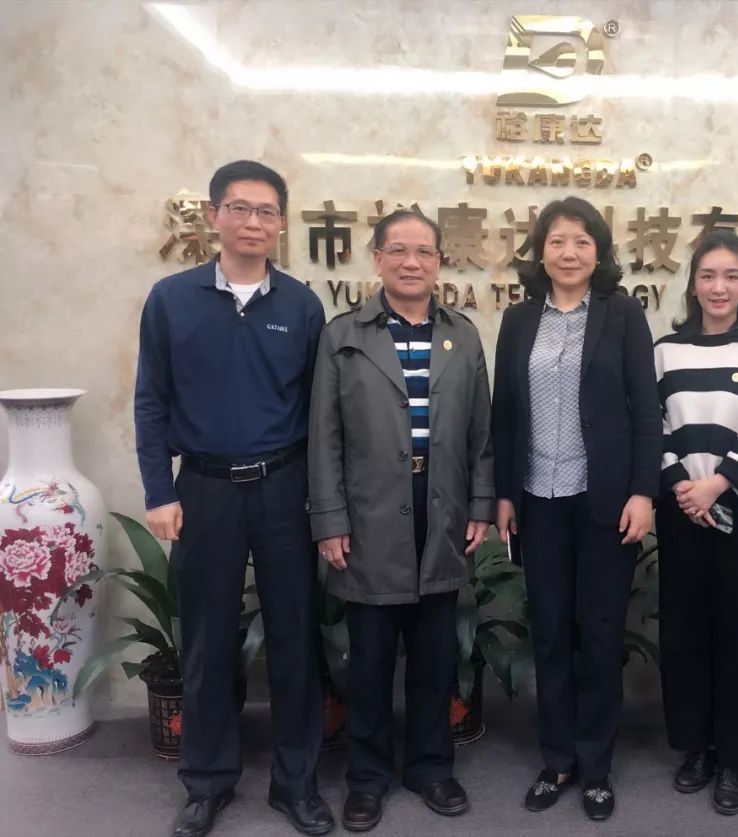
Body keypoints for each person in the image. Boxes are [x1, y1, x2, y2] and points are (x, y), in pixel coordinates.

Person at [134, 160, 333, 837]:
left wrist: (321, 502)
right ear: (214, 214)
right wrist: (159, 490)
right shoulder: (171, 298)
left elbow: (320, 413)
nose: (253, 222)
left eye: (267, 211)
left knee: (295, 640)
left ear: (281, 223)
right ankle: (207, 782)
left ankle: (296, 784)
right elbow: (151, 400)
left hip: (284, 488)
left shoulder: (302, 306)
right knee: (207, 641)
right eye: (240, 208)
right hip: (204, 490)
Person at [307, 209, 494, 832]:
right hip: (369, 514)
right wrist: (329, 519)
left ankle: (431, 768)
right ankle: (366, 778)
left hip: (442, 509)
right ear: (378, 258)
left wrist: (480, 505)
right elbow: (324, 438)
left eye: (424, 252)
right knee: (369, 659)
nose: (411, 262)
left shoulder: (462, 335)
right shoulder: (343, 336)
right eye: (398, 250)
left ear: (439, 261)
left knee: (436, 655)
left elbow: (481, 435)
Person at [491, 196, 662, 821]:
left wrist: (644, 491)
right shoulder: (518, 320)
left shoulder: (623, 314)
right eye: (558, 241)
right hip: (539, 499)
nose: (569, 252)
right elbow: (505, 414)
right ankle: (557, 757)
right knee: (551, 631)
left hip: (606, 501)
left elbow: (647, 411)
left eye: (582, 241)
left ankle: (595, 765)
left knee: (600, 631)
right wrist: (504, 493)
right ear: (540, 251)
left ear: (599, 252)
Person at [654, 230, 738, 816]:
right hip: (682, 509)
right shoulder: (665, 351)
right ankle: (697, 747)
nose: (719, 287)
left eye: (732, 276)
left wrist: (718, 483)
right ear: (692, 284)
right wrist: (683, 487)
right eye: (708, 275)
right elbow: (654, 423)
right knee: (685, 633)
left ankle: (733, 757)